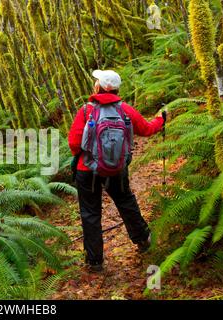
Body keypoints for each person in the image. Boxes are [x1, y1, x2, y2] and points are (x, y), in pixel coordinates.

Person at [68, 70, 165, 272]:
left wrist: (92, 154)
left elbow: (74, 144)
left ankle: (95, 262)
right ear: (117, 88)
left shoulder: (86, 111)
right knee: (125, 201)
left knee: (90, 213)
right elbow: (146, 129)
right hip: (116, 168)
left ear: (99, 87)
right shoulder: (124, 110)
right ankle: (143, 240)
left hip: (87, 170)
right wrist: (161, 120)